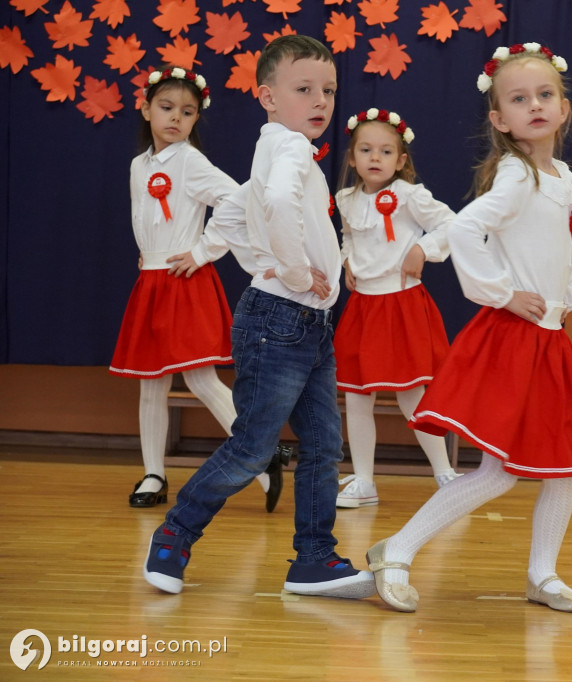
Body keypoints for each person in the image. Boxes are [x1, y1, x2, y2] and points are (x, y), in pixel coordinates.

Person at [364, 42, 572, 613]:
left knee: (563, 461)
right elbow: (466, 228)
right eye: (520, 99)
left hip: (547, 335)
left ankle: (543, 574)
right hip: (512, 337)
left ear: (563, 106)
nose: (536, 106)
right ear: (500, 119)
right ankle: (395, 550)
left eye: (545, 95)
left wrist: (565, 294)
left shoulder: (562, 177)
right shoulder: (517, 173)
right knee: (500, 472)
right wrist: (501, 292)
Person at [143, 36, 375, 599]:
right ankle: (174, 534)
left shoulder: (280, 145)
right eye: (304, 90)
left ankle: (314, 560)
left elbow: (240, 202)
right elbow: (269, 205)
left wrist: (205, 251)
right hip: (281, 318)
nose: (320, 101)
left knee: (322, 447)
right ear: (267, 96)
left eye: (328, 91)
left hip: (306, 324)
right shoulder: (290, 150)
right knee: (252, 446)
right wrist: (295, 272)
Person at [109, 65, 282, 512]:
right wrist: (149, 253)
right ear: (146, 109)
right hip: (151, 279)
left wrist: (203, 250)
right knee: (152, 383)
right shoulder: (137, 165)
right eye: (166, 108)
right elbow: (143, 218)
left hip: (184, 280)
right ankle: (153, 473)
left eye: (187, 112)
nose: (175, 118)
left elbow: (236, 199)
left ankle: (260, 455)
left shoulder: (190, 160)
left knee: (201, 378)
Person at [333, 107, 460, 509]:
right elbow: (348, 237)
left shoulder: (409, 195)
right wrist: (347, 261)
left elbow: (452, 225)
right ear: (352, 158)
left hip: (402, 304)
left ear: (401, 160)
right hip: (363, 308)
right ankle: (365, 481)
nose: (375, 158)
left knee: (411, 394)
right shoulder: (346, 198)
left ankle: (444, 473)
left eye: (386, 151)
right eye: (366, 150)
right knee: (356, 396)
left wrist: (423, 248)